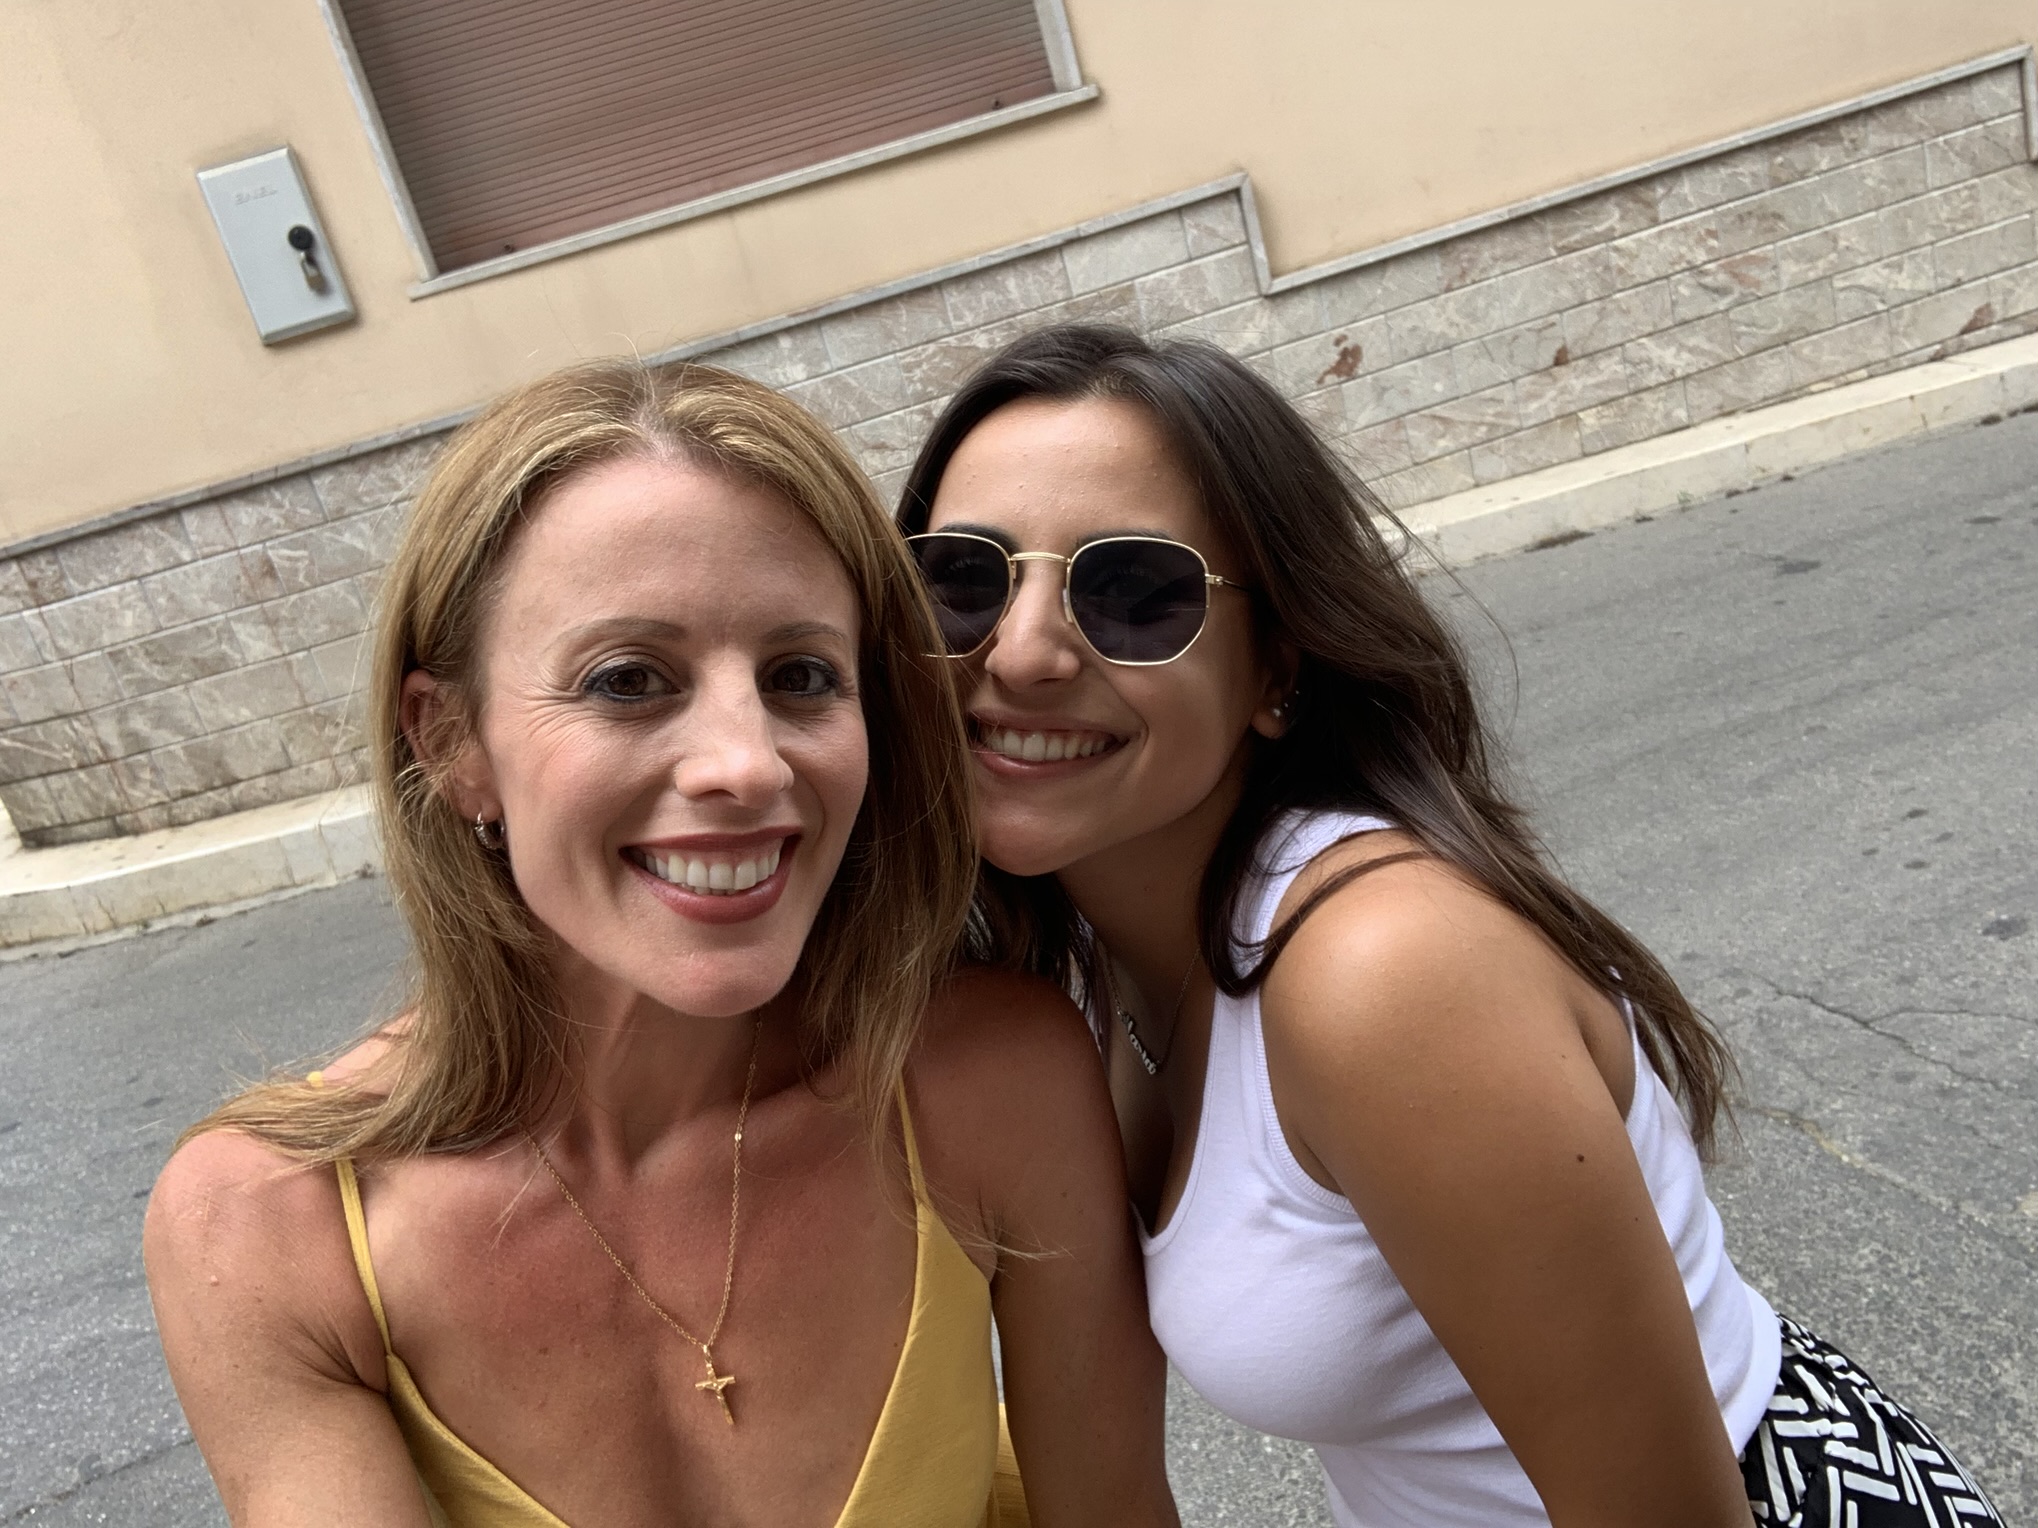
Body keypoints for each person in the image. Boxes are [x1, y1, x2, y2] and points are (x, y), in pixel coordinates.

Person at [896, 323, 2005, 1528]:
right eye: (961, 580)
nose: (1023, 650)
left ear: (1276, 668)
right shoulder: (1112, 956)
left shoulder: (1383, 975)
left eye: (1132, 592)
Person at [144, 360, 1176, 1528]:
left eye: (800, 676)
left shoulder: (989, 1081)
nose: (747, 762)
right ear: (451, 742)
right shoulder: (265, 1228)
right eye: (628, 680)